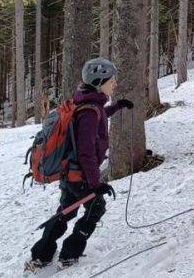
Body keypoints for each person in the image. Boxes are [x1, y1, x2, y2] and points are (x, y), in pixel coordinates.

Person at [26, 57, 134, 271]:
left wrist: (117, 106)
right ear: (99, 81)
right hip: (80, 176)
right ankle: (69, 254)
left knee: (66, 212)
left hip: (71, 174)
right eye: (111, 80)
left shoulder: (86, 101)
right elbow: (86, 153)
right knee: (95, 208)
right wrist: (95, 184)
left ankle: (40, 256)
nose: (115, 83)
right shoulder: (89, 111)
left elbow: (98, 115)